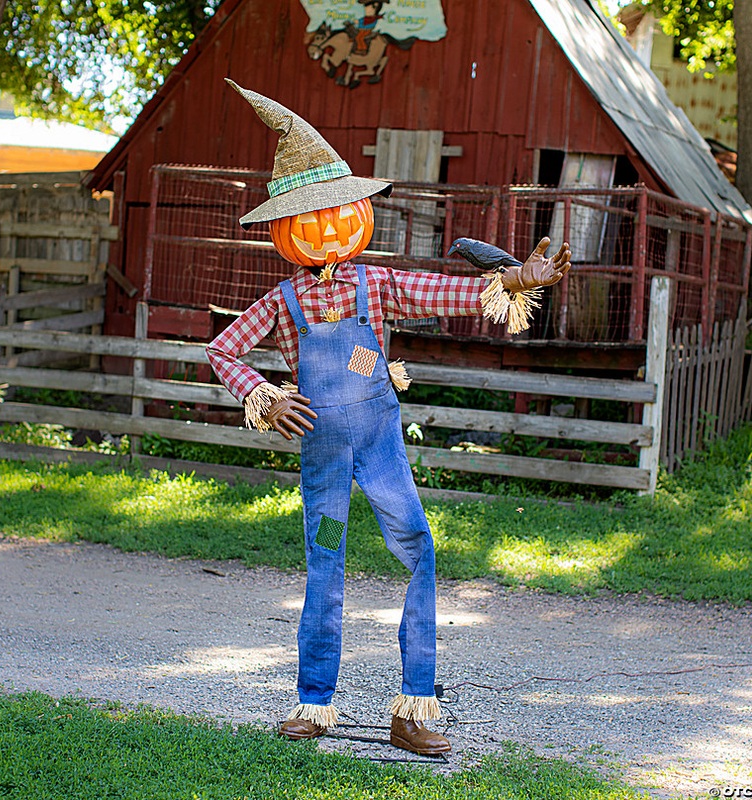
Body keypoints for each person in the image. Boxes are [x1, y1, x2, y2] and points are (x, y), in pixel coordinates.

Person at [206, 80, 571, 755]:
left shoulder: (378, 283)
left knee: (419, 551)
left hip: (378, 442)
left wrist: (519, 278)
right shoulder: (283, 299)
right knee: (325, 567)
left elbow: (450, 289)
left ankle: (415, 709)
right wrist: (263, 393)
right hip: (322, 452)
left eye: (341, 211)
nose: (331, 228)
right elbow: (222, 348)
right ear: (287, 228)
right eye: (314, 218)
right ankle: (314, 705)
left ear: (358, 210)